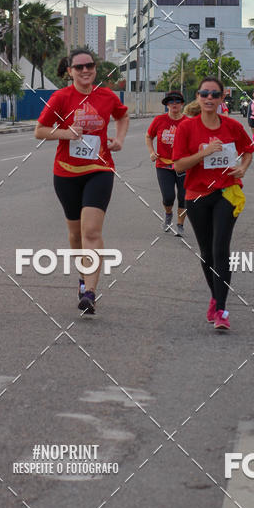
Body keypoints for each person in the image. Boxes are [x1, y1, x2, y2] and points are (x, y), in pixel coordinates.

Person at [35, 49, 129, 315]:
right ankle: (82, 277)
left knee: (91, 232)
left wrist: (119, 139)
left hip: (100, 169)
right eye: (79, 67)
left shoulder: (107, 96)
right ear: (70, 71)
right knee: (76, 234)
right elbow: (39, 131)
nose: (85, 70)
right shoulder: (61, 97)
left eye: (89, 65)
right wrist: (66, 133)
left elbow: (123, 115)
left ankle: (90, 291)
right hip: (66, 173)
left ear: (95, 69)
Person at [173, 77, 253, 331]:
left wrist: (242, 167)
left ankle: (221, 310)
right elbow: (178, 165)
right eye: (204, 94)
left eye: (214, 94)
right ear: (197, 97)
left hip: (226, 193)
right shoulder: (187, 128)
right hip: (196, 195)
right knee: (207, 252)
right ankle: (216, 296)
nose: (209, 98)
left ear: (221, 98)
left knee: (221, 249)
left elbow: (248, 149)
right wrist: (204, 153)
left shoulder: (231, 126)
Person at [146, 91, 187, 236]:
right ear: (167, 105)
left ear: (182, 104)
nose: (174, 104)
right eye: (171, 101)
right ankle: (168, 214)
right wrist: (152, 152)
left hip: (183, 166)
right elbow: (149, 136)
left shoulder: (188, 122)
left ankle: (180, 225)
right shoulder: (159, 120)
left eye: (177, 101)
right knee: (168, 197)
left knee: (183, 196)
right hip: (163, 165)